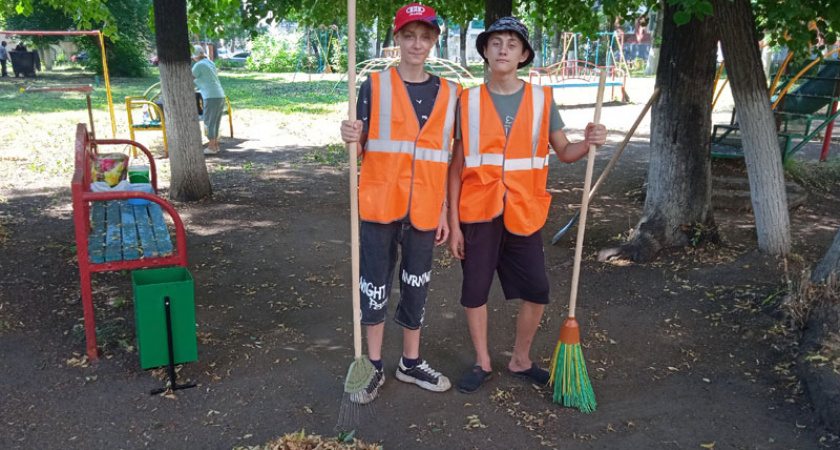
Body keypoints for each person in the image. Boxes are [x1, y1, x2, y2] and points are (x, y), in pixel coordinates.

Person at [446, 16, 608, 394]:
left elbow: (564, 151)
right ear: (485, 51)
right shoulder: (467, 101)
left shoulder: (541, 100)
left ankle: (520, 359)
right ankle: (483, 361)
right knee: (474, 290)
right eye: (496, 43)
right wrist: (453, 224)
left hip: (523, 209)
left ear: (523, 55)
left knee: (537, 288)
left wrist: (589, 142)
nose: (503, 49)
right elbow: (455, 168)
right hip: (478, 210)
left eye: (512, 44)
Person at [339, 3, 462, 404]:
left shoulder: (451, 93)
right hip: (380, 203)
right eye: (409, 36)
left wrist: (444, 209)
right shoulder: (373, 86)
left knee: (416, 284)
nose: (417, 44)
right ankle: (373, 364)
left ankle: (410, 362)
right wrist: (350, 136)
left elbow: (445, 156)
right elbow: (360, 147)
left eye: (425, 37)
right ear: (397, 39)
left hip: (425, 207)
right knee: (375, 283)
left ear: (434, 41)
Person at [191, 45, 225, 155]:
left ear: (195, 56)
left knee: (208, 121)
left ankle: (211, 147)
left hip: (210, 96)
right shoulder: (210, 63)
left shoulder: (198, 65)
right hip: (219, 94)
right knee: (215, 121)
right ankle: (215, 145)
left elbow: (189, 78)